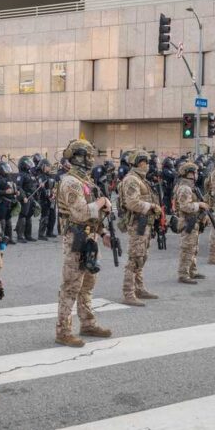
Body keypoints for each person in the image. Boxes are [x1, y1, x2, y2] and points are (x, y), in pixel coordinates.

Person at [55, 139, 113, 347]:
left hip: (90, 237)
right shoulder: (70, 182)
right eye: (87, 155)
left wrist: (103, 231)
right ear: (77, 157)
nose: (91, 159)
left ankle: (87, 323)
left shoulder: (86, 181)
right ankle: (63, 330)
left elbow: (93, 214)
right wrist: (102, 202)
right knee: (71, 285)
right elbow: (80, 213)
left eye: (91, 155)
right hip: (76, 239)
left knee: (88, 284)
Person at [117, 150, 160, 307]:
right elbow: (132, 203)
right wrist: (152, 206)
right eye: (144, 162)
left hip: (145, 223)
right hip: (137, 223)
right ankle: (128, 292)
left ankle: (139, 288)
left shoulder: (141, 179)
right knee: (134, 258)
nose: (147, 165)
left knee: (142, 257)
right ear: (136, 163)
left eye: (147, 162)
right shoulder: (132, 180)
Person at [174, 162, 209, 284]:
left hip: (194, 221)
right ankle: (183, 274)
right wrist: (199, 204)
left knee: (193, 248)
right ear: (190, 173)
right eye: (195, 172)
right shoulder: (185, 188)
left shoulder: (191, 187)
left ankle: (192, 271)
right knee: (187, 248)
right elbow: (185, 206)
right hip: (187, 222)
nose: (197, 174)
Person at [0, 161, 17, 244]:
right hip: (2, 203)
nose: (7, 170)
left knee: (9, 222)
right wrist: (5, 192)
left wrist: (16, 192)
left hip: (9, 203)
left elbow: (13, 187)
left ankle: (9, 238)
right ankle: (1, 240)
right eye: (5, 168)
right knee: (2, 222)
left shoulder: (9, 178)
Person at [14, 156, 38, 243]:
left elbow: (33, 185)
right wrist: (23, 196)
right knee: (23, 216)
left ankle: (28, 235)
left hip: (31, 198)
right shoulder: (21, 175)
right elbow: (19, 187)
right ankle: (20, 236)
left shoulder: (30, 174)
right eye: (27, 163)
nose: (29, 165)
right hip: (25, 198)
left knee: (29, 217)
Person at [36, 158, 57, 240]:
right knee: (45, 216)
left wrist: (54, 193)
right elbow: (42, 188)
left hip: (52, 199)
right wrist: (48, 195)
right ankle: (41, 234)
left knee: (53, 216)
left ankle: (49, 232)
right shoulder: (40, 176)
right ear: (43, 166)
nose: (49, 168)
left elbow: (53, 186)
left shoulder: (50, 176)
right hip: (44, 199)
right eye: (48, 166)